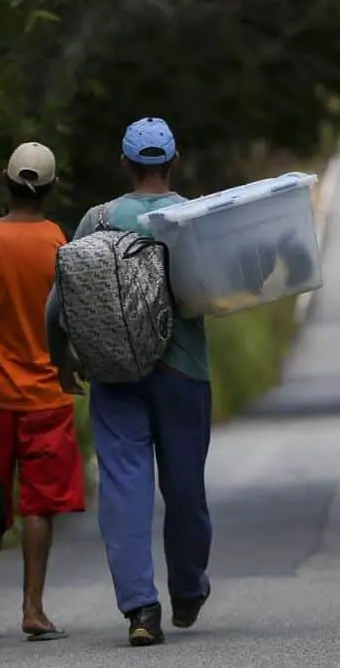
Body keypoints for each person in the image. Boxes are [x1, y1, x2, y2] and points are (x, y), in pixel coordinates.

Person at [45, 117, 213, 647]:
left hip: (115, 372)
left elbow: (59, 299)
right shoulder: (193, 216)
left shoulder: (97, 220)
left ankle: (141, 609)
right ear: (174, 161)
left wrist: (60, 357)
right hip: (184, 373)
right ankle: (187, 588)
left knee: (123, 487)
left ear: (125, 164)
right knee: (184, 486)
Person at [0, 142, 85, 642]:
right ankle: (33, 609)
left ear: (4, 179)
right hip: (47, 395)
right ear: (52, 187)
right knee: (39, 505)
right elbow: (69, 317)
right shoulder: (58, 243)